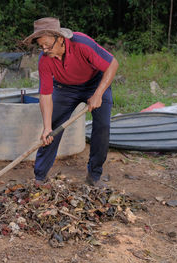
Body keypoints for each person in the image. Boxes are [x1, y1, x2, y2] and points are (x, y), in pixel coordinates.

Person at [23, 17, 119, 187]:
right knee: (52, 129)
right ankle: (40, 176)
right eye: (40, 46)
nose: (44, 50)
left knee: (102, 127)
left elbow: (112, 64)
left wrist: (98, 94)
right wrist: (46, 127)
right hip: (65, 88)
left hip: (95, 84)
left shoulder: (82, 44)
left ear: (60, 39)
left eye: (47, 45)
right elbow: (45, 95)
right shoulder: (45, 59)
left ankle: (94, 175)